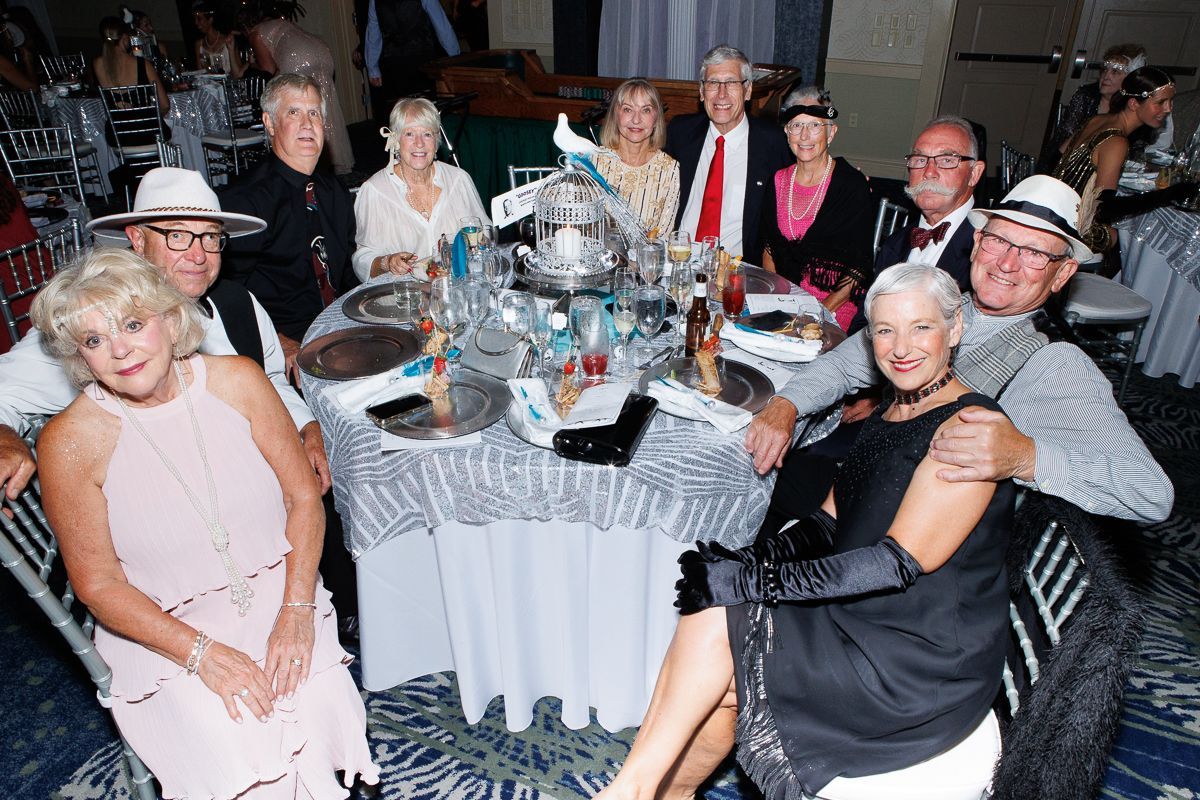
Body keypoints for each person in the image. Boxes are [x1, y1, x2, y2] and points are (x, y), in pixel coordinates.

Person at [596, 262, 1012, 800]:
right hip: (869, 615)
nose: (900, 346)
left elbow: (894, 563)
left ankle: (631, 792)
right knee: (721, 639)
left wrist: (752, 583)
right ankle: (651, 792)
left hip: (917, 660)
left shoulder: (966, 430)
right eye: (885, 330)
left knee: (723, 618)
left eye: (921, 327)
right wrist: (750, 561)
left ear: (954, 330)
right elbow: (827, 520)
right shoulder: (896, 408)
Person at [30, 249, 379, 798]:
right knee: (234, 729)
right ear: (80, 357)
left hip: (279, 590)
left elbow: (303, 499)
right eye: (94, 340)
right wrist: (203, 655)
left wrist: (296, 610)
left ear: (171, 320)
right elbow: (97, 585)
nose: (119, 350)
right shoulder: (70, 442)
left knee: (312, 705)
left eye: (133, 323)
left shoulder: (237, 381)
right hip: (162, 631)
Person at [744, 175, 1172, 524]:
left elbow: (1149, 494)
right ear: (977, 242)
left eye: (1034, 254)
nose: (1006, 263)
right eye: (999, 241)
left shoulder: (1057, 364)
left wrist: (1027, 457)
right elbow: (842, 365)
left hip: (915, 537)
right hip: (871, 484)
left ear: (1062, 275)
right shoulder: (941, 306)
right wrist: (787, 404)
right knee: (750, 461)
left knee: (754, 484)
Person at [221, 73, 360, 376]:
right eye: (293, 113)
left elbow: (345, 272)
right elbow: (226, 292)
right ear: (269, 123)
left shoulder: (334, 190)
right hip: (288, 340)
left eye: (314, 113)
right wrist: (278, 341)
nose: (307, 124)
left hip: (341, 328)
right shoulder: (246, 202)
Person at [759, 85, 872, 331]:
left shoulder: (851, 186)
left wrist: (816, 313)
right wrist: (778, 301)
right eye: (797, 126)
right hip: (785, 300)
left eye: (815, 126)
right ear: (787, 133)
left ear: (831, 133)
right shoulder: (777, 181)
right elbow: (769, 249)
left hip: (832, 306)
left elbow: (858, 269)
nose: (804, 136)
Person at [667, 44, 791, 259]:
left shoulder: (774, 144)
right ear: (701, 92)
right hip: (679, 261)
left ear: (748, 90)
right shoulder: (680, 132)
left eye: (731, 83)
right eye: (713, 83)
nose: (721, 94)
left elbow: (805, 182)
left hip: (739, 270)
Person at [352, 97, 488, 280]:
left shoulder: (459, 180)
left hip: (458, 287)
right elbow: (362, 259)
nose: (419, 143)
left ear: (436, 139)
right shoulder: (375, 191)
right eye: (409, 134)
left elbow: (484, 230)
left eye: (427, 134)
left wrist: (476, 242)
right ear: (395, 139)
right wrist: (387, 262)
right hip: (404, 297)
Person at [1053, 66, 1183, 253]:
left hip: (1057, 209)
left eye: (1171, 102)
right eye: (1161, 102)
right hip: (1073, 229)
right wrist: (1168, 195)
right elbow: (1105, 209)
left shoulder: (1097, 120)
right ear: (1133, 104)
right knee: (1135, 240)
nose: (1168, 109)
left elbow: (1056, 158)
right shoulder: (1117, 142)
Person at [249, 11, 354, 174]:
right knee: (320, 102)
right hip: (322, 50)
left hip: (298, 57)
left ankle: (302, 160)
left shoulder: (255, 32)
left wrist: (251, 66)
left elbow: (267, 69)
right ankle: (330, 159)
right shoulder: (283, 25)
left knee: (293, 99)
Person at [593, 78, 681, 238]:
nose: (636, 119)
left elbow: (662, 236)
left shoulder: (670, 169)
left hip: (647, 261)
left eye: (646, 110)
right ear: (615, 115)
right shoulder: (594, 161)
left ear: (656, 119)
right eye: (627, 109)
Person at [1040, 43, 1146, 171]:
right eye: (1105, 70)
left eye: (1115, 72)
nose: (1106, 76)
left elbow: (1137, 148)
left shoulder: (1132, 107)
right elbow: (1064, 144)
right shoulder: (1086, 96)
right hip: (1066, 166)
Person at [364, 0, 460, 125]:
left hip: (394, 64)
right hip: (422, 62)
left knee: (403, 115)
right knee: (426, 112)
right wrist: (455, 57)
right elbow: (442, 26)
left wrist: (373, 68)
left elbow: (373, 34)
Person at [92, 16, 170, 115]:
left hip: (117, 128)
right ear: (125, 37)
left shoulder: (97, 64)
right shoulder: (142, 64)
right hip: (146, 127)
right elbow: (165, 105)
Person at [193, 1, 246, 78]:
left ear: (210, 20)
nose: (196, 23)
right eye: (194, 19)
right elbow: (200, 74)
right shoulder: (199, 44)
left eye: (199, 19)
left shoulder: (228, 40)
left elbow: (239, 72)